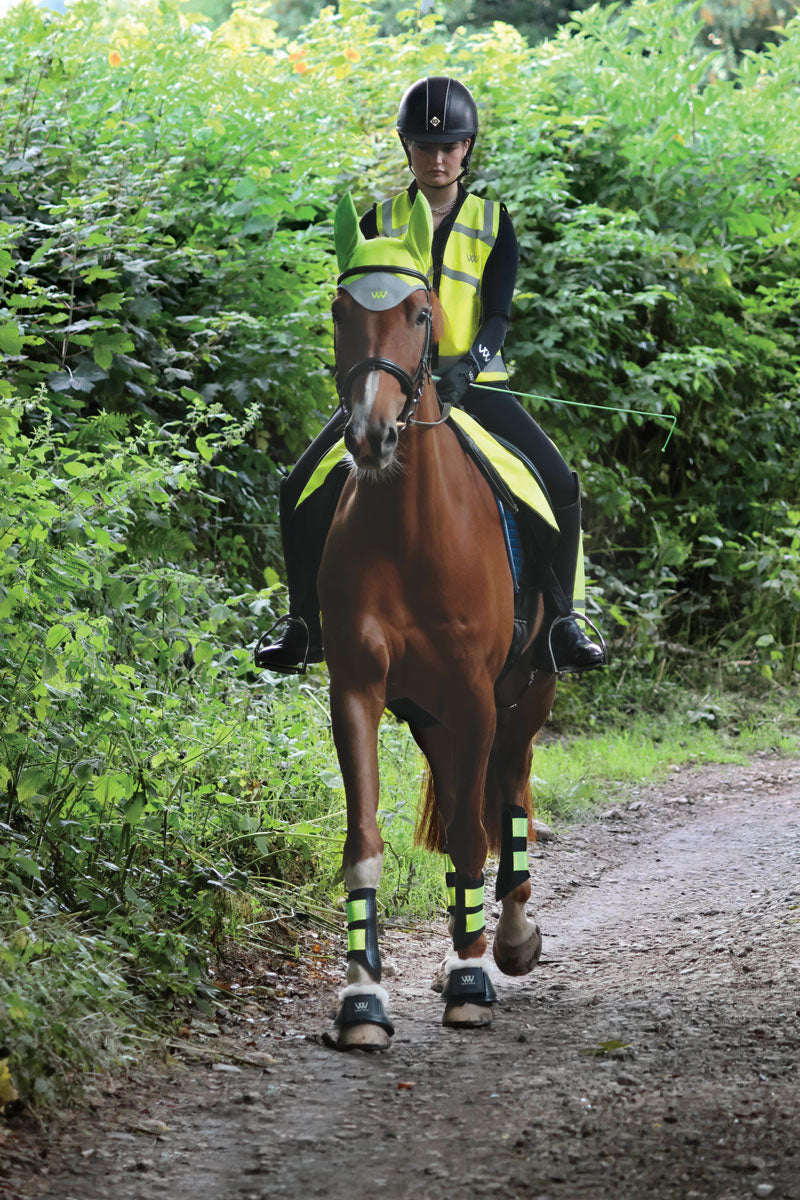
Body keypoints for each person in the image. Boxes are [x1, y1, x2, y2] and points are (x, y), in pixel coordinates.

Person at [256, 75, 605, 676]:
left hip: (476, 387)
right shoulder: (377, 221)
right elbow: (360, 311)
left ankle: (563, 622)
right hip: (389, 388)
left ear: (467, 148)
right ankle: (302, 622)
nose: (437, 158)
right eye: (424, 146)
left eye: (449, 146)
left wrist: (467, 367)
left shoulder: (494, 222)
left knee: (558, 483)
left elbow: (497, 316)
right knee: (298, 488)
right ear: (407, 147)